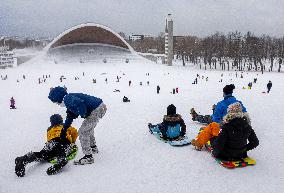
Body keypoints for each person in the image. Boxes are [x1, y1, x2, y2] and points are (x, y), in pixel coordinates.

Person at [48, 86, 107, 165]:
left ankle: (88, 157)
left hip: (96, 109)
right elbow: (70, 116)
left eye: (55, 101)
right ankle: (93, 147)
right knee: (88, 128)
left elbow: (80, 104)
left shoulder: (67, 99)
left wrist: (83, 113)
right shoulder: (69, 99)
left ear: (58, 98)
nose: (57, 104)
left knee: (83, 132)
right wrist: (64, 129)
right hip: (99, 107)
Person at [191, 84, 248, 150]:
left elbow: (215, 120)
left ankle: (196, 117)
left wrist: (215, 112)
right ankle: (197, 116)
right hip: (238, 126)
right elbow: (244, 114)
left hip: (225, 126)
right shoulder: (239, 103)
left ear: (224, 93)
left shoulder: (221, 104)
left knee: (208, 119)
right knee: (210, 117)